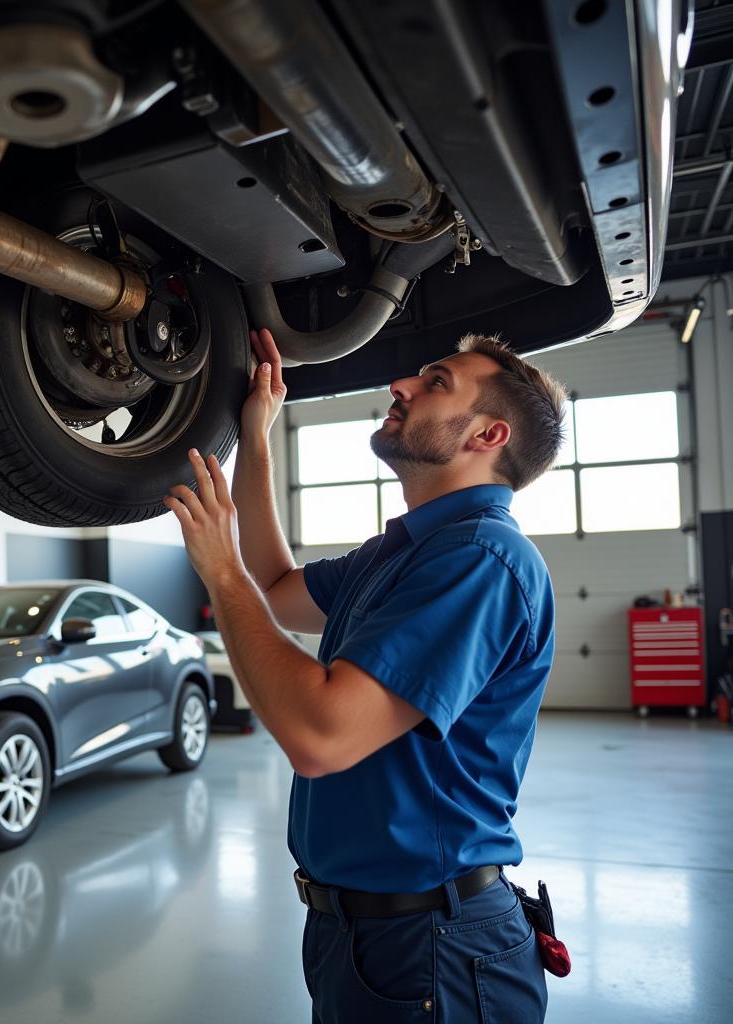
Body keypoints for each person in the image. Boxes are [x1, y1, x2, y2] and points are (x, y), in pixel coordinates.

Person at [164, 326, 568, 1023]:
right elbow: (275, 585)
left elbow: (320, 735)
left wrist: (219, 571)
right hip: (361, 931)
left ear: (488, 435)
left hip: (434, 946)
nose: (401, 386)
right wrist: (256, 438)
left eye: (436, 382)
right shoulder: (403, 552)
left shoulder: (480, 559)